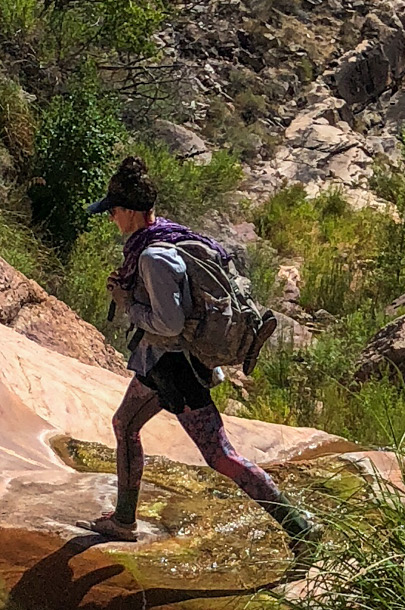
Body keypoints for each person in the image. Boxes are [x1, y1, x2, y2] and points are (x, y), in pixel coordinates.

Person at [86, 156, 318, 555]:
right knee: (125, 425)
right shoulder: (168, 236)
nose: (112, 220)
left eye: (114, 212)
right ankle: (123, 520)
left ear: (130, 212)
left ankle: (298, 526)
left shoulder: (152, 256)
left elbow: (170, 323)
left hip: (175, 369)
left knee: (220, 456)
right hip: (159, 366)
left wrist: (126, 303)